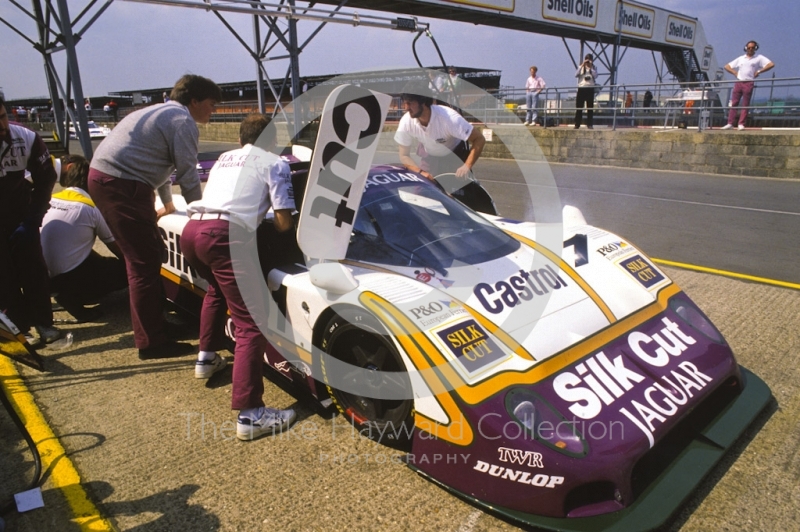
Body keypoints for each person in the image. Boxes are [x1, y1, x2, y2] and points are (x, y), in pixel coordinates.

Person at [88, 74, 222, 359]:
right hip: (121, 184)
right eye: (211, 104)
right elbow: (187, 175)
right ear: (194, 101)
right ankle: (151, 342)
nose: (214, 110)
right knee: (143, 262)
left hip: (113, 180)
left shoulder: (161, 112)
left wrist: (168, 204)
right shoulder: (182, 121)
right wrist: (203, 218)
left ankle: (153, 327)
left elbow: (161, 166)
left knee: (146, 255)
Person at [181, 114, 296, 441]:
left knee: (216, 290)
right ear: (271, 139)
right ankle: (251, 415)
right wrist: (272, 219)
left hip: (193, 231)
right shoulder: (275, 162)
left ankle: (206, 358)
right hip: (225, 236)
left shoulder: (223, 159)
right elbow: (286, 223)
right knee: (251, 323)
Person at [0, 96, 64, 345]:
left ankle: (44, 323)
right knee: (4, 274)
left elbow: (46, 177)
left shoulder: (26, 137)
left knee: (34, 269)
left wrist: (34, 218)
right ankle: (17, 326)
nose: (2, 125)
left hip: (21, 215)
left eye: (3, 116)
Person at [41, 155, 127, 323]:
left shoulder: (53, 198)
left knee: (80, 248)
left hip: (42, 276)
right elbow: (116, 247)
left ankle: (62, 291)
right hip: (66, 279)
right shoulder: (90, 206)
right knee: (122, 270)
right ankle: (73, 296)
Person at [395, 80, 485, 180]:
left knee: (453, 193)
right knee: (423, 190)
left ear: (423, 102)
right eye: (404, 103)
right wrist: (420, 172)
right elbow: (404, 155)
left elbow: (479, 139)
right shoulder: (406, 121)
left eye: (410, 103)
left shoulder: (450, 118)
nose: (406, 108)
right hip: (430, 156)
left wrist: (466, 166)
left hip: (454, 155)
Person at [722, 40, 774, 131]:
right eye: (749, 47)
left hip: (749, 82)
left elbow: (771, 64)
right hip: (739, 82)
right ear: (746, 48)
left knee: (745, 104)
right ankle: (730, 123)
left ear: (755, 48)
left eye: (752, 48)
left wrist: (759, 71)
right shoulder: (741, 58)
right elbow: (727, 66)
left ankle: (741, 124)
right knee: (734, 103)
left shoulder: (759, 58)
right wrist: (734, 72)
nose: (750, 49)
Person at [574, 54, 598, 129]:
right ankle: (577, 124)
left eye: (589, 59)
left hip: (590, 88)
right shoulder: (581, 67)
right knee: (579, 107)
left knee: (590, 107)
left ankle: (590, 124)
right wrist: (582, 65)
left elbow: (596, 76)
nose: (588, 61)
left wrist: (590, 67)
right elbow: (576, 74)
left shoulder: (594, 68)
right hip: (582, 88)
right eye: (586, 59)